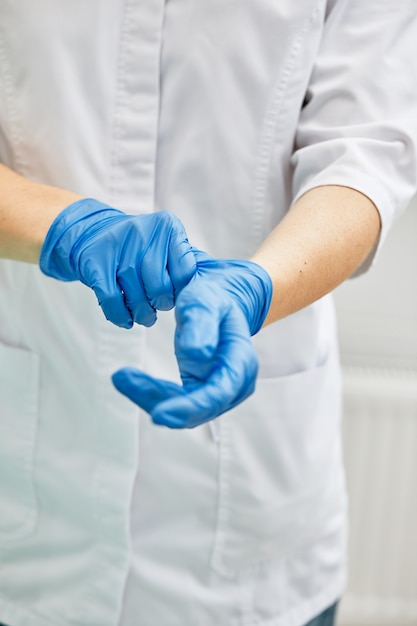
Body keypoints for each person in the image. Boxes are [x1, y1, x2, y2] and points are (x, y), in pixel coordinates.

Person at [0, 2, 416, 626]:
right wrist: (66, 227)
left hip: (254, 549)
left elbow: (365, 157)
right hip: (27, 519)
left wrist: (256, 287)